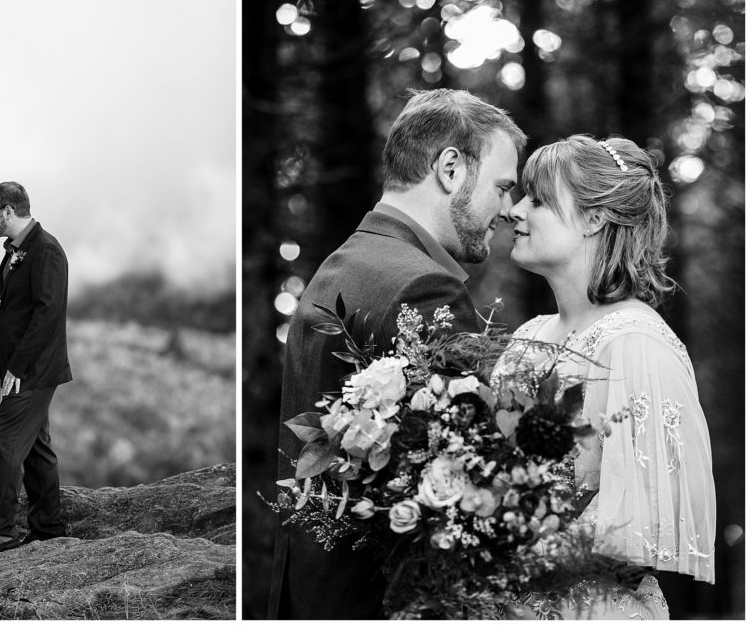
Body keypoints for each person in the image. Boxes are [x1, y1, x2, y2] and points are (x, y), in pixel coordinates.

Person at [268, 89, 527, 619]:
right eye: (502, 188)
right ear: (451, 168)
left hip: (310, 593)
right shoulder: (423, 287)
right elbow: (463, 479)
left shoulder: (347, 261)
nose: (508, 209)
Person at [492, 135, 715, 618]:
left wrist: (505, 555)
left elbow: (647, 524)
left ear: (595, 218)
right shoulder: (526, 338)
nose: (515, 211)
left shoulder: (635, 342)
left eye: (539, 199)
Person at [0, 182, 71, 562]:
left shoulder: (47, 250)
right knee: (37, 450)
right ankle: (49, 528)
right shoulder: (16, 252)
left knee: (5, 443)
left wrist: (18, 367)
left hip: (33, 370)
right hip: (19, 368)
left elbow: (48, 313)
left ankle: (1, 531)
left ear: (7, 211)